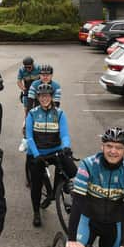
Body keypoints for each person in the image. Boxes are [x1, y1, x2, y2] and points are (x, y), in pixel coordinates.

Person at [25, 84, 76, 227]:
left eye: (47, 96)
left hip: (55, 150)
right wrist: (35, 154)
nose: (44, 99)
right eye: (41, 96)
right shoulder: (32, 114)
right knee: (36, 184)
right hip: (37, 152)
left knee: (72, 170)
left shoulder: (59, 114)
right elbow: (29, 137)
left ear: (51, 97)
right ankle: (36, 212)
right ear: (38, 98)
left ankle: (56, 189)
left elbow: (64, 134)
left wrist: (66, 147)